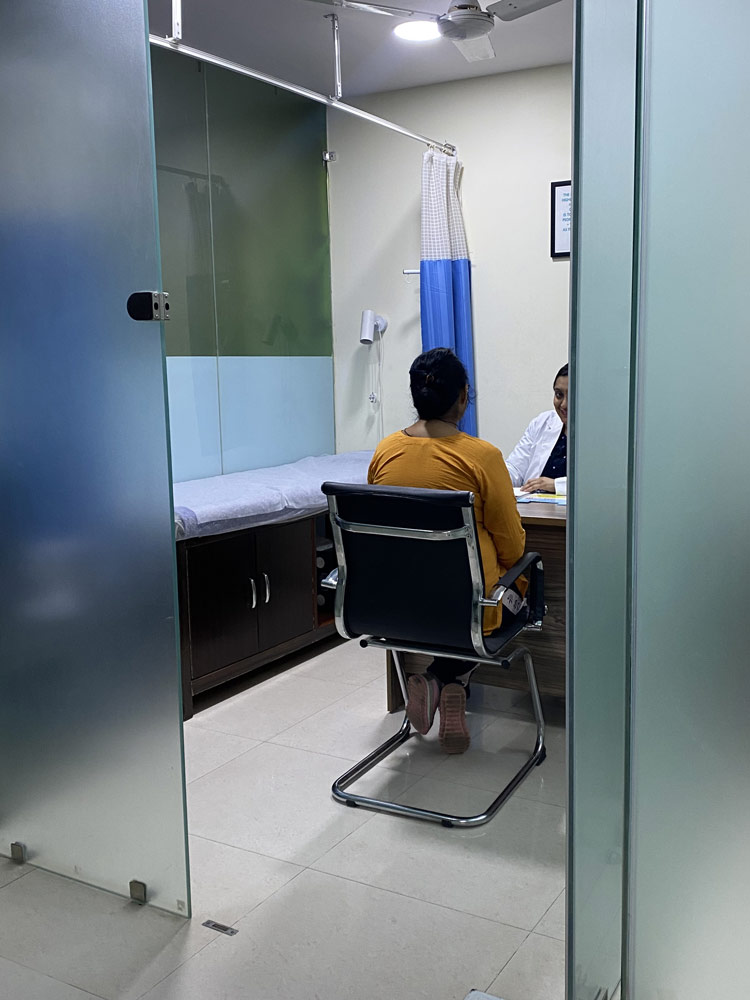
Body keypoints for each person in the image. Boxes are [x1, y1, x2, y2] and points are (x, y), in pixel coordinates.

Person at [368, 347, 525, 754]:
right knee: (518, 585)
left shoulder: (385, 451)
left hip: (395, 605)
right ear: (463, 396)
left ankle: (442, 681)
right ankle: (445, 680)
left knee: (451, 596)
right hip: (468, 607)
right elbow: (512, 544)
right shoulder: (482, 457)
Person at [506, 364, 568, 494]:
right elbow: (516, 469)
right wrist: (495, 476)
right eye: (559, 395)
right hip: (533, 504)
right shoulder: (542, 422)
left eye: (572, 396)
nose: (564, 404)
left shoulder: (601, 433)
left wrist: (556, 485)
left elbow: (598, 482)